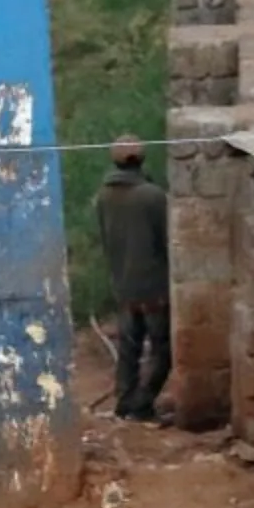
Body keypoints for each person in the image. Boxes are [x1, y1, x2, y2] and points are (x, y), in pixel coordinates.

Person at [94, 135, 171, 423]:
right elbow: (168, 241)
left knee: (129, 349)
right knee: (162, 349)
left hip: (124, 285)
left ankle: (125, 402)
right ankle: (142, 404)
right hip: (155, 288)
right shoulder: (152, 195)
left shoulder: (103, 196)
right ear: (141, 160)